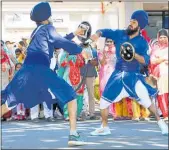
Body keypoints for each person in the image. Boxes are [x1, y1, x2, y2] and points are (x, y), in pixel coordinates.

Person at [1, 2, 86, 146]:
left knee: (8, 103)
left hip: (26, 71)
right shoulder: (48, 28)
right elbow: (58, 41)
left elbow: (55, 42)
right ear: (48, 16)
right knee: (71, 96)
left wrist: (74, 34)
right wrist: (79, 50)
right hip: (41, 70)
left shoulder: (37, 31)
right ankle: (73, 135)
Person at [90, 10, 168, 136]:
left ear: (140, 25)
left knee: (147, 101)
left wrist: (134, 54)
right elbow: (104, 31)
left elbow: (145, 60)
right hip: (117, 75)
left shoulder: (142, 42)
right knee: (104, 102)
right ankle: (104, 127)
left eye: (134, 22)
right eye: (131, 21)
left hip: (133, 76)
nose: (130, 23)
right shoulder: (120, 34)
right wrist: (97, 34)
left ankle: (161, 123)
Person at [150, 29, 168, 121]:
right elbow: (153, 61)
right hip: (161, 74)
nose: (162, 39)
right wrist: (163, 59)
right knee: (162, 93)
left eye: (165, 37)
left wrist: (160, 59)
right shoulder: (156, 49)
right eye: (161, 37)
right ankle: (165, 114)